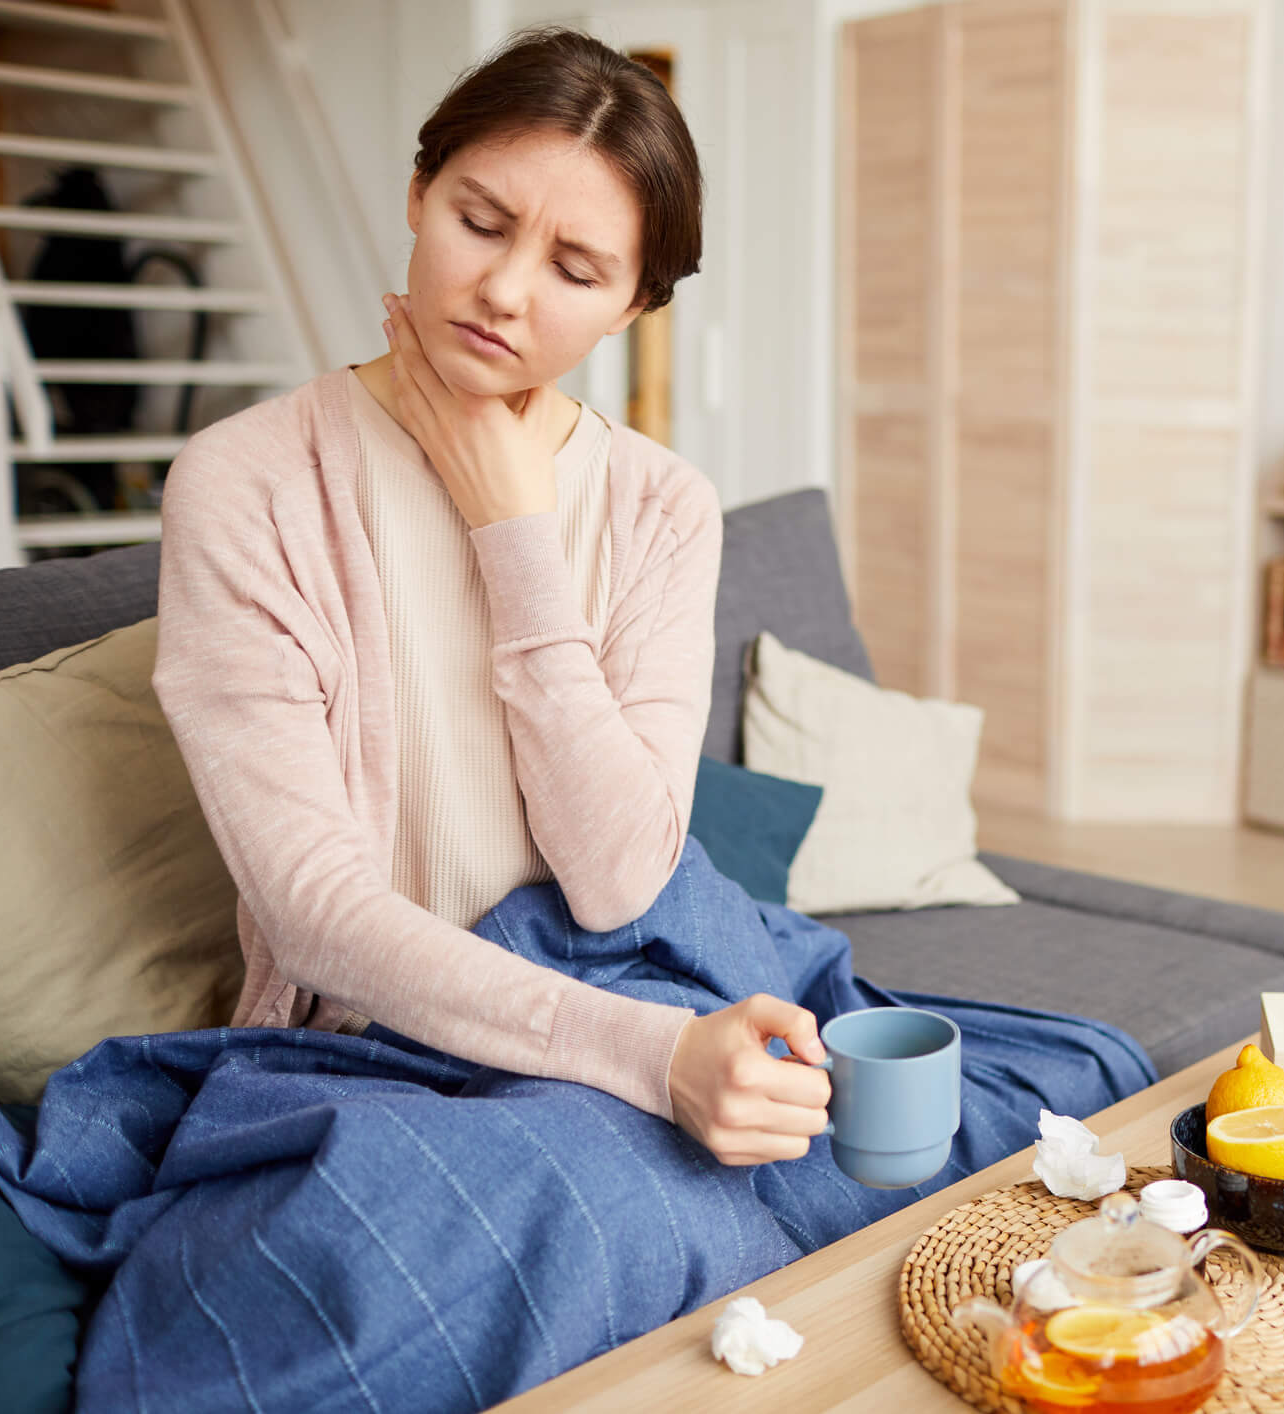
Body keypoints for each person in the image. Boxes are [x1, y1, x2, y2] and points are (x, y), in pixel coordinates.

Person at [152, 26, 830, 1170]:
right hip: (377, 1048)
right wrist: (654, 1052)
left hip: (618, 984)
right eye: (477, 220)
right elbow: (314, 910)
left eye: (574, 271)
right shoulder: (247, 482)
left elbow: (620, 884)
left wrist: (513, 535)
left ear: (632, 308)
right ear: (419, 193)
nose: (505, 291)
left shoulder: (662, 506)